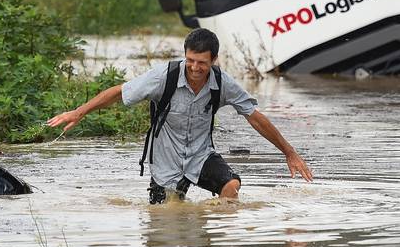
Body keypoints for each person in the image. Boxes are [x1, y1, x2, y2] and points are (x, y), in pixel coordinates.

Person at [47, 28, 313, 203]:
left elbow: (255, 117)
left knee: (231, 186)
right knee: (167, 219)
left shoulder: (223, 84)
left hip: (200, 154)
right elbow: (119, 92)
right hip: (166, 162)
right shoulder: (164, 76)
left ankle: (210, 239)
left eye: (202, 63)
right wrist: (78, 113)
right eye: (191, 60)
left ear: (214, 60)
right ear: (185, 55)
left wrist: (288, 152)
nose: (195, 68)